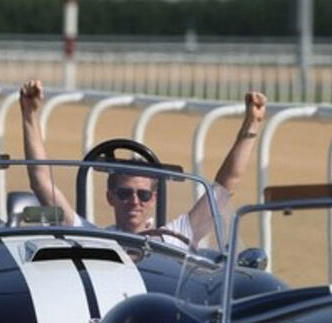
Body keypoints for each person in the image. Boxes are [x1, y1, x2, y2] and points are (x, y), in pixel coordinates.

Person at [17, 79, 266, 248]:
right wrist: (30, 115)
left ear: (154, 199)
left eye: (143, 195)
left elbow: (224, 188)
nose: (134, 202)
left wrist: (250, 127)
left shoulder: (175, 238)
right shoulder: (93, 238)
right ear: (110, 197)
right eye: (125, 194)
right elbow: (41, 181)